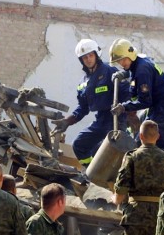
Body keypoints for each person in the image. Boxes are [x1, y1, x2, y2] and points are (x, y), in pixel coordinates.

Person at [50, 39, 128, 167]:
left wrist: (126, 112)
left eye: (90, 55)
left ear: (96, 55)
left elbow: (127, 93)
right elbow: (83, 108)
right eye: (84, 57)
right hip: (101, 121)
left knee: (102, 150)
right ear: (81, 60)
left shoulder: (110, 71)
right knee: (79, 145)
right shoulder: (83, 82)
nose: (88, 59)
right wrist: (67, 121)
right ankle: (91, 172)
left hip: (116, 120)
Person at [109, 38, 164, 151]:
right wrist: (125, 73)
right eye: (119, 61)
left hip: (163, 110)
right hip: (159, 106)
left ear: (130, 55)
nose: (121, 64)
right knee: (142, 142)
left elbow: (145, 101)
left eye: (122, 60)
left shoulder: (142, 71)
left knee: (154, 145)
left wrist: (124, 107)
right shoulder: (140, 60)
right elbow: (135, 70)